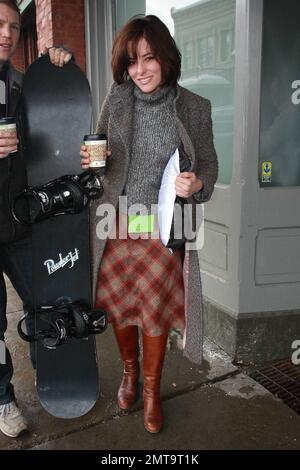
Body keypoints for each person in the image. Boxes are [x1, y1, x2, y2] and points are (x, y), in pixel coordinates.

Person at [80, 15, 218, 434]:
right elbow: (98, 155)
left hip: (162, 231)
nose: (140, 69)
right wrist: (90, 161)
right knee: (121, 307)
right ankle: (129, 373)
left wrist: (197, 183)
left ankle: (154, 391)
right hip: (116, 225)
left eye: (150, 58)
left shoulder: (194, 108)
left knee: (154, 313)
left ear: (166, 59)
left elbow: (209, 167)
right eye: (133, 60)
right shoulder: (117, 100)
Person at [0, 0, 72, 438]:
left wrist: (61, 65)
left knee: (42, 304)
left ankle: (54, 372)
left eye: (12, 25)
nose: (6, 33)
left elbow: (54, 122)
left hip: (21, 221)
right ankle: (2, 399)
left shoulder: (22, 85)